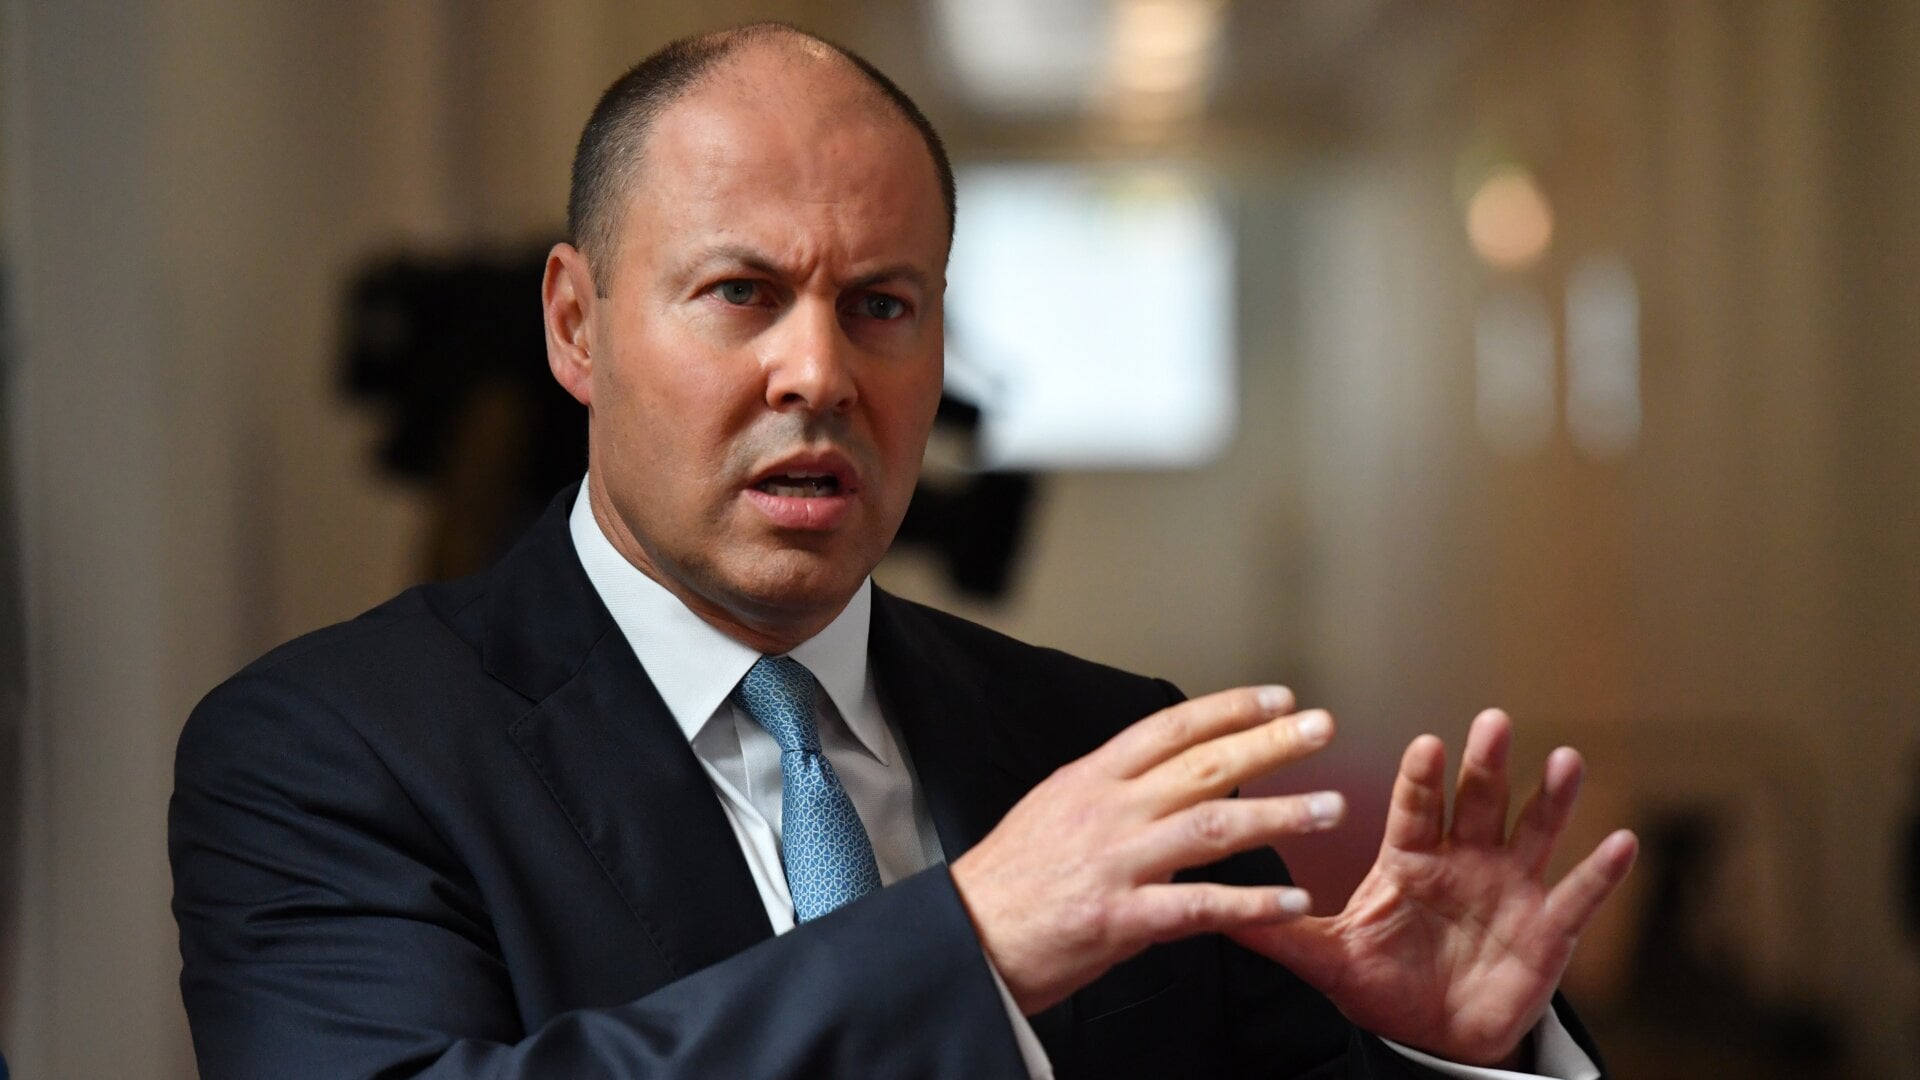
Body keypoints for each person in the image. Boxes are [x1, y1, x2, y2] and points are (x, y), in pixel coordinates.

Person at [169, 23, 1638, 1079]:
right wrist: (971, 940)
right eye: (741, 294)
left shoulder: (1109, 747)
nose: (819, 374)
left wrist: (1454, 1057)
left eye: (882, 306)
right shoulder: (329, 752)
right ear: (576, 325)